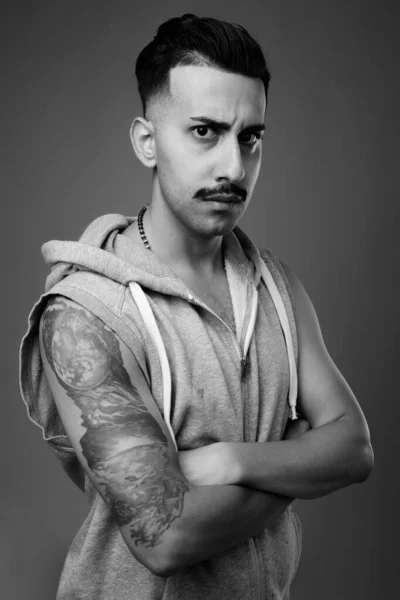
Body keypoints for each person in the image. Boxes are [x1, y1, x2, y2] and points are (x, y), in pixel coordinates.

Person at [19, 13, 374, 600]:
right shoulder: (84, 317)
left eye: (251, 137)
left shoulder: (277, 289)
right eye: (205, 132)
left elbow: (354, 448)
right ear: (147, 141)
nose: (234, 167)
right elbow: (166, 538)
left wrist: (232, 461)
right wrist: (296, 461)